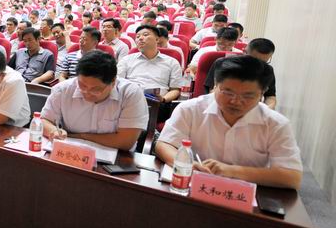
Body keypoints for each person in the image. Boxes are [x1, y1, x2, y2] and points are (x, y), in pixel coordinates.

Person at [156, 55, 302, 189]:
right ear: (215, 85)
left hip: (245, 196)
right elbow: (165, 144)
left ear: (262, 93)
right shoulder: (191, 109)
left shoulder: (276, 124)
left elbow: (292, 176)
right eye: (228, 92)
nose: (235, 101)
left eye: (248, 96)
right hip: (194, 188)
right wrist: (188, 165)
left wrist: (231, 171)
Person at [40, 51, 149, 150]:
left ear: (113, 82)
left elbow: (125, 142)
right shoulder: (63, 90)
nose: (87, 92)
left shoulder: (130, 94)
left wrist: (80, 136)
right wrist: (54, 131)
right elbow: (44, 120)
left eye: (96, 89)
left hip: (116, 157)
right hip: (70, 152)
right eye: (82, 85)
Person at [204, 38, 277, 109]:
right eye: (254, 61)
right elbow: (212, 91)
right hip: (224, 105)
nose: (258, 66)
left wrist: (269, 108)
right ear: (244, 52)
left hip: (252, 109)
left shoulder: (267, 70)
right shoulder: (223, 64)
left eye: (263, 62)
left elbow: (270, 96)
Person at [117, 25, 183, 103]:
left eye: (145, 35)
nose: (140, 38)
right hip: (128, 100)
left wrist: (163, 99)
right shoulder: (126, 60)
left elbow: (175, 89)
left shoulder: (172, 62)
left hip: (157, 103)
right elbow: (117, 83)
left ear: (157, 39)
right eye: (137, 37)